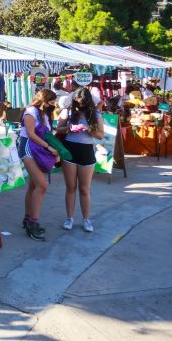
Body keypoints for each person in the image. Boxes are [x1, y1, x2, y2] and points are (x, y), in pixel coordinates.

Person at [56, 87, 104, 233]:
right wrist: (70, 128)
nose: (80, 106)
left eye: (83, 103)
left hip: (86, 151)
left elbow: (101, 135)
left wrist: (88, 129)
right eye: (77, 103)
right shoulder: (67, 111)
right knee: (70, 187)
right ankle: (69, 218)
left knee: (84, 189)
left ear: (88, 102)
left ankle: (86, 219)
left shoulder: (95, 114)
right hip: (69, 150)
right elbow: (58, 129)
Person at [19, 89, 60, 241]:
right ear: (44, 100)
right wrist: (49, 148)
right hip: (29, 148)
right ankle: (33, 223)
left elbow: (46, 134)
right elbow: (30, 134)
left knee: (34, 186)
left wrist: (55, 150)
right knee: (41, 185)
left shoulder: (45, 114)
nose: (53, 104)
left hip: (39, 149)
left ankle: (28, 218)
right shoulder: (31, 111)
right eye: (52, 101)